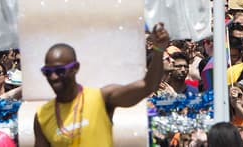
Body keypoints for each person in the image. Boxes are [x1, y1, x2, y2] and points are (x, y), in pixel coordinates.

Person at [33, 23, 172, 147]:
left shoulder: (101, 98)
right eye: (47, 72)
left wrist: (158, 51)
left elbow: (147, 86)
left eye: (60, 71)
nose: (53, 77)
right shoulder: (42, 116)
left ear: (75, 68)